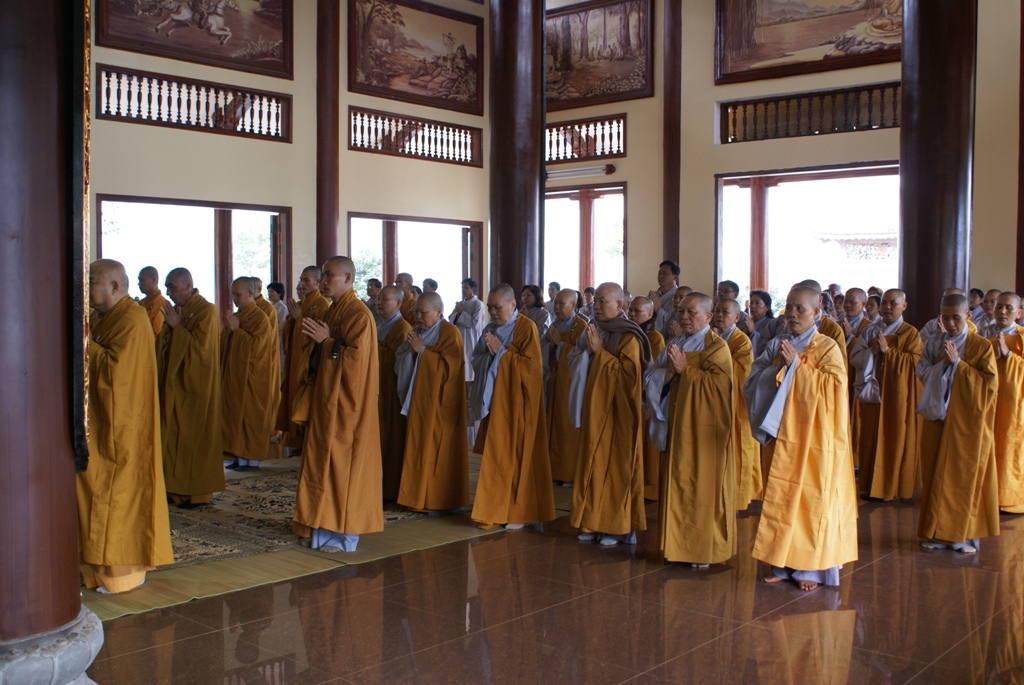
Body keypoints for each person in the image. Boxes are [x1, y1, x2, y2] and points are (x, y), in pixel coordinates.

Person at [744, 287, 858, 591]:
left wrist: (797, 366)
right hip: (782, 434)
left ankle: (811, 569)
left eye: (800, 309)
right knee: (781, 498)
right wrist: (781, 367)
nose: (793, 314)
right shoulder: (778, 344)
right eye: (789, 308)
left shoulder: (827, 347)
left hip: (813, 439)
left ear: (816, 312)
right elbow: (754, 379)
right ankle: (781, 563)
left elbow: (835, 388)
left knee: (810, 502)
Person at [79, 259, 173, 593]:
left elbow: (117, 374)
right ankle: (94, 568)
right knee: (91, 486)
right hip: (101, 422)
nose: (86, 288)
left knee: (119, 496)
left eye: (91, 282)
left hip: (124, 427)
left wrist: (86, 345)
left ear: (115, 287)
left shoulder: (132, 320)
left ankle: (122, 574)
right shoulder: (100, 318)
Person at [293, 256, 383, 552]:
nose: (323, 282)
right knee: (322, 465)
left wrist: (327, 343)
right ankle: (320, 528)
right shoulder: (333, 311)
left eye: (329, 275)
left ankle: (344, 536)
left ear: (348, 279)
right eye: (322, 276)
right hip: (327, 401)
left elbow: (357, 363)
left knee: (343, 466)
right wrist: (319, 342)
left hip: (347, 407)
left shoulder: (359, 314)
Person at [646, 292, 734, 566]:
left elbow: (721, 389)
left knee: (701, 488)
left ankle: (701, 551)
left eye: (691, 312)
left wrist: (686, 371)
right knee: (678, 484)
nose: (684, 317)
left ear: (708, 316)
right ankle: (677, 548)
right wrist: (669, 374)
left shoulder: (716, 348)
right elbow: (650, 376)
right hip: (676, 425)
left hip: (702, 432)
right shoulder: (674, 343)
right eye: (681, 311)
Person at [567, 283, 651, 546]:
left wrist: (599, 354)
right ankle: (592, 523)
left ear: (619, 305)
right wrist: (588, 352)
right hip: (595, 408)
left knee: (617, 469)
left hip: (619, 414)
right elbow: (575, 359)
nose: (597, 306)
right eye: (596, 302)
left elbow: (629, 378)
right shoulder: (594, 329)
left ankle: (619, 528)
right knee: (592, 464)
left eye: (603, 301)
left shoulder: (629, 336)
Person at [916, 294, 999, 554]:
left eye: (956, 318)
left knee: (963, 477)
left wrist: (958, 366)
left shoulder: (981, 346)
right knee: (935, 476)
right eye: (946, 318)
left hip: (967, 422)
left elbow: (989, 386)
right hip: (938, 418)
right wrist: (943, 364)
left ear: (968, 316)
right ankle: (936, 532)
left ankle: (964, 536)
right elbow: (921, 371)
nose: (951, 324)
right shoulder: (933, 342)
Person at [467, 284, 556, 530]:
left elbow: (532, 370)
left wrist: (502, 354)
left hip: (518, 405)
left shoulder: (526, 328)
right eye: (489, 307)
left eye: (497, 307)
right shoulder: (489, 329)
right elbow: (477, 358)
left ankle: (517, 512)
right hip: (496, 403)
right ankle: (494, 510)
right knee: (496, 459)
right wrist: (493, 355)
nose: (493, 312)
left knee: (516, 459)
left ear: (513, 305)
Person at [395, 292, 470, 513]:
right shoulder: (416, 332)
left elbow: (450, 369)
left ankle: (440, 501)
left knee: (438, 452)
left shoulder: (450, 333)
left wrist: (422, 352)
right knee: (417, 449)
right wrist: (413, 353)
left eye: (423, 312)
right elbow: (400, 357)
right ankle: (416, 497)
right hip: (420, 402)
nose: (418, 316)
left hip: (440, 405)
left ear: (439, 312)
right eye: (416, 312)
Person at [157, 267, 224, 508]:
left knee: (192, 440)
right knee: (173, 436)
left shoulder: (207, 310)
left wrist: (177, 328)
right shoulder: (180, 310)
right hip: (176, 385)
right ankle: (173, 489)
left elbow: (201, 351)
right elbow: (164, 344)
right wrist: (171, 329)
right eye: (167, 287)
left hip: (196, 387)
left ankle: (196, 494)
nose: (168, 293)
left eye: (172, 287)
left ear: (188, 285)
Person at [849, 289, 922, 501]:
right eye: (884, 303)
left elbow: (915, 363)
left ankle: (891, 489)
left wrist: (888, 352)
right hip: (873, 395)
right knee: (870, 439)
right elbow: (855, 357)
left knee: (893, 439)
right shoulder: (871, 331)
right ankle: (869, 486)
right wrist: (872, 351)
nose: (888, 307)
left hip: (897, 397)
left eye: (893, 303)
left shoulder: (910, 333)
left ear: (903, 306)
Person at [221, 277, 279, 471]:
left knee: (251, 416)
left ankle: (251, 460)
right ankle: (237, 456)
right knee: (235, 415)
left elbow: (256, 348)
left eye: (237, 294)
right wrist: (230, 332)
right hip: (235, 376)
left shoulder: (260, 318)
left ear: (250, 293)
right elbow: (225, 344)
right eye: (232, 294)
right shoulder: (238, 316)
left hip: (253, 377)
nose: (234, 298)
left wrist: (237, 332)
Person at [713, 298, 762, 510]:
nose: (720, 315)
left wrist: (718, 349)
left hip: (736, 405)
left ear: (737, 317)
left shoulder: (741, 341)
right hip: (718, 403)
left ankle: (738, 496)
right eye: (717, 311)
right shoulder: (714, 337)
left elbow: (742, 374)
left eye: (725, 312)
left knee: (738, 450)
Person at [277, 266, 328, 455]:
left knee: (304, 402)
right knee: (292, 397)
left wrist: (299, 319)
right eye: (301, 279)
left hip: (307, 364)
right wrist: (292, 321)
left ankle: (304, 442)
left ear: (318, 282)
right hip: (295, 361)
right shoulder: (302, 304)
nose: (302, 284)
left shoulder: (322, 305)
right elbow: (288, 335)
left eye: (307, 280)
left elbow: (316, 337)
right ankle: (295, 441)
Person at [985, 292, 1024, 513]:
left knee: (1010, 447)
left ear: (1019, 313)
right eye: (999, 307)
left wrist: (1009, 355)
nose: (1002, 311)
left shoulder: (1021, 338)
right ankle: (988, 496)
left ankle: (1011, 500)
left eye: (1009, 308)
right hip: (990, 402)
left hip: (1015, 405)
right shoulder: (985, 336)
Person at [547, 288, 589, 486]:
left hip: (571, 382)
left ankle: (568, 474)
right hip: (555, 379)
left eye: (561, 303)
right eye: (555, 303)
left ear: (573, 305)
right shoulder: (555, 324)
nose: (556, 307)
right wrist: (550, 345)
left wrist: (560, 345)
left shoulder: (581, 326)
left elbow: (582, 356)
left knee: (567, 426)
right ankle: (553, 470)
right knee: (553, 424)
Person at [376, 285, 412, 501]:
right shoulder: (379, 323)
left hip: (391, 391)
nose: (379, 303)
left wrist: (375, 348)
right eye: (379, 299)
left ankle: (391, 489)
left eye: (385, 299)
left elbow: (400, 361)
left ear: (398, 303)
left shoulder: (402, 327)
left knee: (392, 439)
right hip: (377, 389)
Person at [628, 296, 665, 500]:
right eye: (631, 310)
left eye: (638, 311)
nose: (632, 314)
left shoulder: (654, 337)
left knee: (647, 444)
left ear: (650, 314)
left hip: (646, 396)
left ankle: (648, 487)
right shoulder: (629, 333)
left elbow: (653, 369)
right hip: (629, 393)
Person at [449, 278, 486, 444]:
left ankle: (471, 436)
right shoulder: (460, 304)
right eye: (462, 287)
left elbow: (474, 323)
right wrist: (459, 312)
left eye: (466, 287)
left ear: (473, 289)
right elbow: (451, 320)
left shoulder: (478, 304)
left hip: (471, 347)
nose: (463, 290)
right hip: (460, 347)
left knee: (470, 394)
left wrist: (462, 313)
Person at [522, 284, 553, 402]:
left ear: (537, 297)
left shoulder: (543, 313)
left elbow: (540, 334)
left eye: (529, 295)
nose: (525, 298)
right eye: (523, 295)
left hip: (537, 352)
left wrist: (527, 319)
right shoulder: (520, 312)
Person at [649, 260, 680, 335]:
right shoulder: (654, 295)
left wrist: (658, 310)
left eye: (665, 273)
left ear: (675, 277)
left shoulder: (678, 297)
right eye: (659, 273)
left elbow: (674, 322)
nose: (660, 276)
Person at [743, 289, 775, 358]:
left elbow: (768, 348)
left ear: (767, 307)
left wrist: (753, 332)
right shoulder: (747, 322)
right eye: (751, 303)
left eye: (757, 303)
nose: (753, 306)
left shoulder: (772, 324)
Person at [137, 265, 166, 337]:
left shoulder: (162, 303)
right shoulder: (141, 303)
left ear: (154, 280)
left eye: (142, 280)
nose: (139, 283)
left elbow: (157, 332)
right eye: (139, 280)